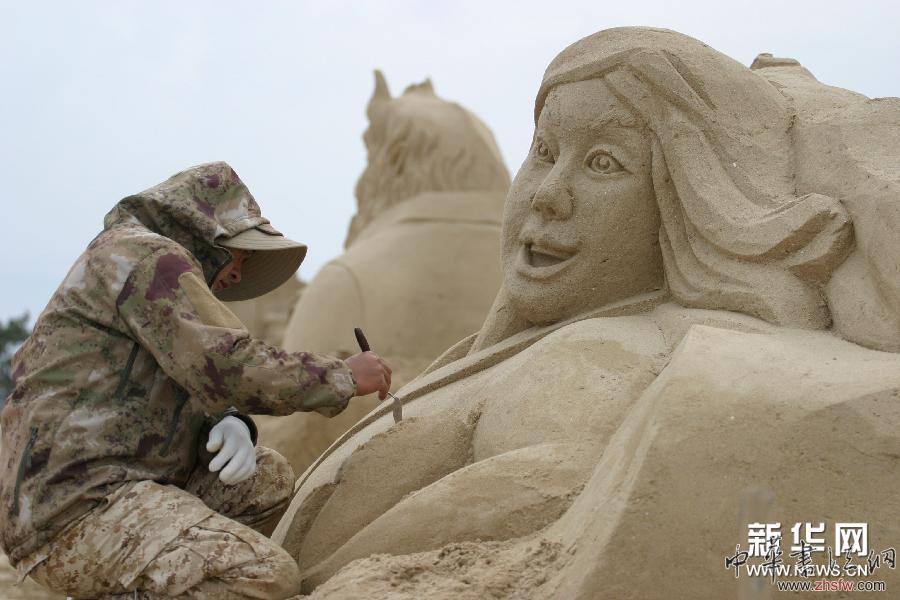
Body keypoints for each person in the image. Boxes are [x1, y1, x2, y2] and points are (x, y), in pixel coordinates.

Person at [274, 28, 900, 599]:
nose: (549, 193)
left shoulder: (594, 355)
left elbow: (548, 479)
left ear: (682, 203)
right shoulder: (543, 341)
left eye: (605, 163)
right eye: (545, 150)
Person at [0, 161, 392, 599]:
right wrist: (341, 375)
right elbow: (225, 367)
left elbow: (174, 377)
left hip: (108, 485)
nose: (240, 273)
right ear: (207, 233)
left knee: (264, 479)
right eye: (241, 254)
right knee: (264, 576)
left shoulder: (139, 259)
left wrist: (229, 420)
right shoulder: (146, 257)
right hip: (78, 504)